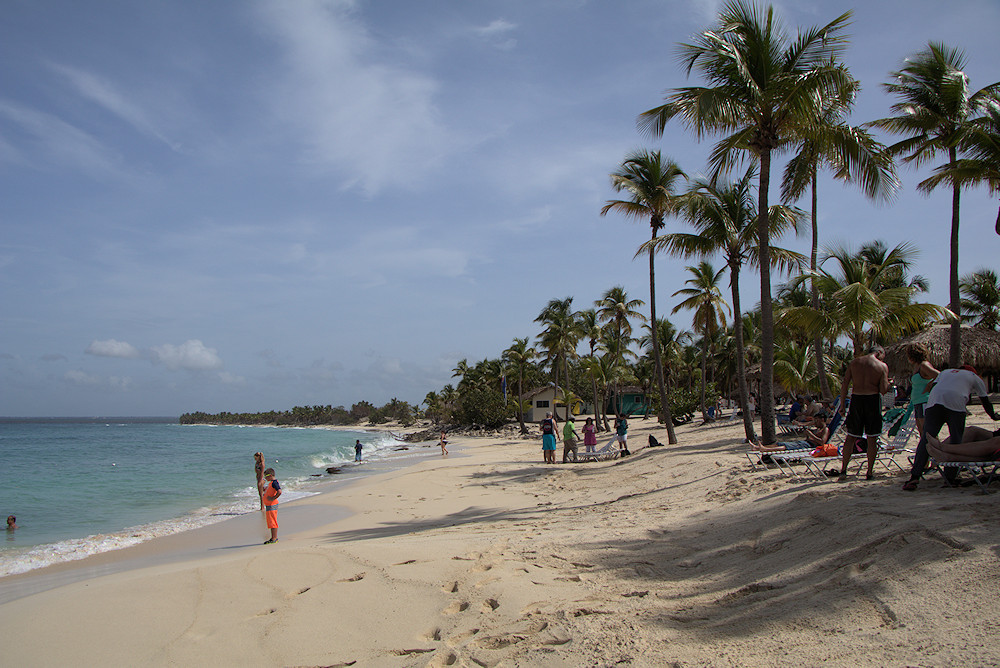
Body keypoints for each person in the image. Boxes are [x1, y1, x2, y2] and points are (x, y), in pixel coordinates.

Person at [903, 364, 999, 490]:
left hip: (934, 402)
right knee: (956, 440)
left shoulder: (945, 372)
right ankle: (949, 478)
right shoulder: (974, 377)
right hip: (955, 404)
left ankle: (914, 477)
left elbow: (932, 386)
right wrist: (994, 416)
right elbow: (985, 401)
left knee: (926, 439)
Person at [837, 345, 889, 481]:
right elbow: (883, 390)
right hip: (872, 400)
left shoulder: (854, 363)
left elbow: (845, 384)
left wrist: (842, 405)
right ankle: (869, 472)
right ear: (879, 353)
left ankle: (843, 470)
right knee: (872, 438)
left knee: (851, 437)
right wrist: (889, 383)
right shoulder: (882, 366)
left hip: (857, 399)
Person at [907, 343, 939, 460]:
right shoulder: (917, 366)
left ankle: (936, 459)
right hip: (917, 403)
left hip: (925, 401)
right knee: (923, 434)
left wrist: (929, 385)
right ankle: (926, 460)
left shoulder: (924, 366)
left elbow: (939, 375)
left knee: (929, 434)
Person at [257, 465, 282, 544]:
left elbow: (279, 491)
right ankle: (273, 537)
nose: (266, 478)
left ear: (270, 475)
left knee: (272, 522)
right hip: (269, 505)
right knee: (270, 522)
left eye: (266, 476)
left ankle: (274, 538)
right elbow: (267, 490)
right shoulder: (271, 483)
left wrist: (273, 498)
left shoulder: (274, 482)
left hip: (272, 505)